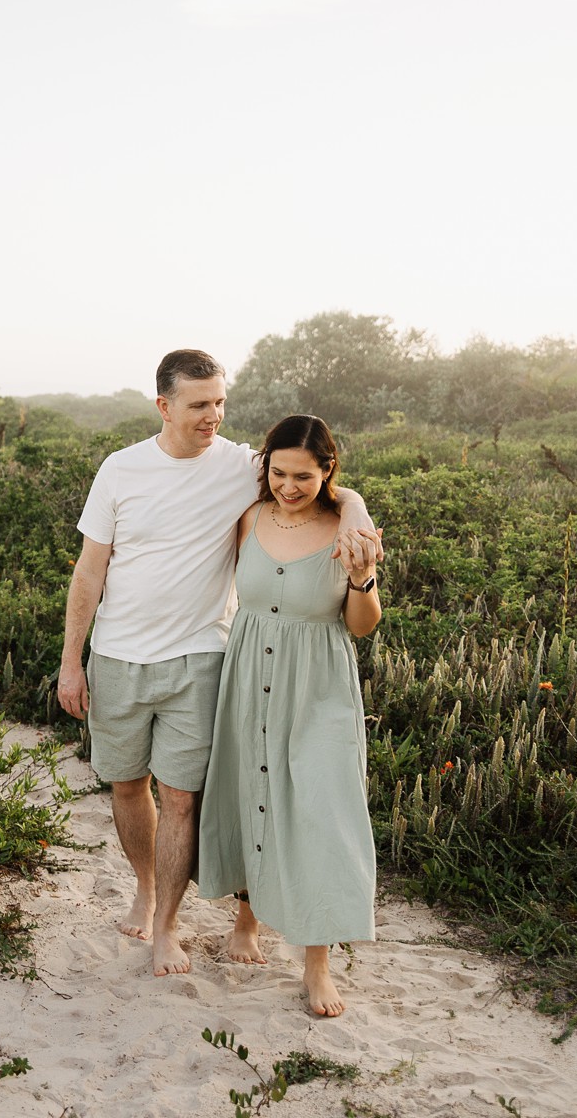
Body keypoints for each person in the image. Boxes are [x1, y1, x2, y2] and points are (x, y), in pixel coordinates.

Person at [57, 352, 381, 977]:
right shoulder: (119, 471)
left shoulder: (242, 466)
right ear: (165, 406)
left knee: (182, 799)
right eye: (200, 404)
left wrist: (359, 512)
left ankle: (168, 927)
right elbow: (89, 571)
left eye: (220, 402)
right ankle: (147, 892)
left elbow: (316, 480)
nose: (213, 415)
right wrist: (73, 662)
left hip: (201, 658)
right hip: (119, 656)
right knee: (127, 787)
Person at [196, 413, 381, 1017]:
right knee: (254, 788)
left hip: (319, 686)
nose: (289, 486)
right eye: (278, 472)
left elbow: (362, 625)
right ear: (265, 467)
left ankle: (317, 966)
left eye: (303, 475)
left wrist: (362, 577)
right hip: (250, 677)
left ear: (328, 471)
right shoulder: (249, 518)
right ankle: (247, 921)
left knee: (320, 810)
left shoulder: (346, 528)